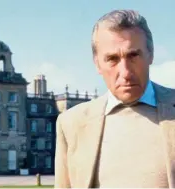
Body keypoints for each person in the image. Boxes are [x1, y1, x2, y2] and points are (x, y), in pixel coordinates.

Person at [54, 9, 175, 188]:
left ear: (150, 54)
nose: (125, 72)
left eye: (133, 55)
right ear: (97, 63)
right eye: (112, 59)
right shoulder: (71, 123)